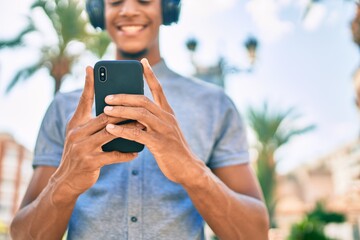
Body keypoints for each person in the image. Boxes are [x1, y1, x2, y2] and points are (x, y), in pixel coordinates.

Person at [10, 0, 269, 239]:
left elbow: (255, 234)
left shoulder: (214, 104)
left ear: (166, 7)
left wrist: (192, 171)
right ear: (99, 11)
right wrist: (65, 182)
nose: (129, 10)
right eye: (116, 1)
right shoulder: (64, 108)